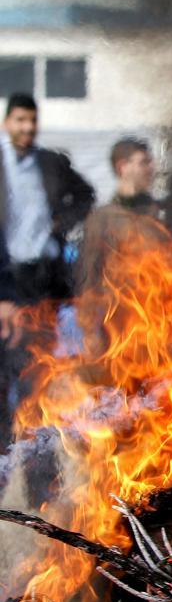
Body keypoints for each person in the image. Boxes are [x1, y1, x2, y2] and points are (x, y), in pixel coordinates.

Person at [0, 93, 94, 444]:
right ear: (6, 123)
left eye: (32, 120)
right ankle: (4, 450)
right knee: (5, 368)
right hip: (8, 278)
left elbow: (85, 195)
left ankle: (33, 448)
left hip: (43, 278)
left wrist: (60, 223)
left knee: (38, 366)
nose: (27, 128)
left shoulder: (51, 162)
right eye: (20, 120)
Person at [78, 138, 170, 367]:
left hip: (162, 323)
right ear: (122, 167)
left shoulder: (161, 214)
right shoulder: (103, 218)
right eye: (143, 162)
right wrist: (89, 329)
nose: (151, 168)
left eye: (150, 162)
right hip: (121, 326)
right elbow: (89, 276)